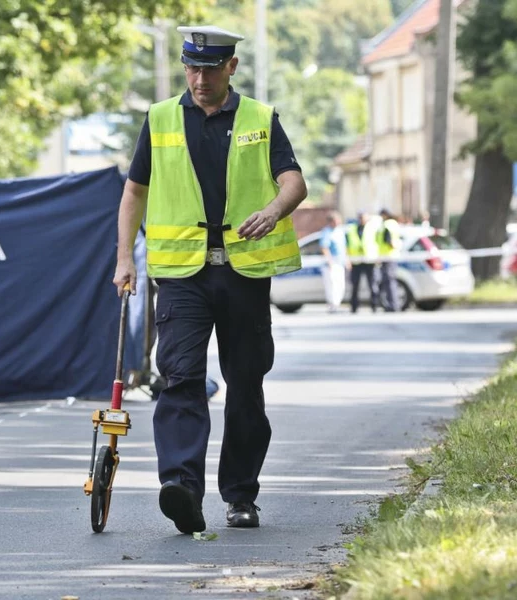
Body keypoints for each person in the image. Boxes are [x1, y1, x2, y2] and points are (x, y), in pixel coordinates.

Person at [112, 25, 307, 534]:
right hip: (181, 275)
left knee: (246, 386)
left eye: (210, 69)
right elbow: (134, 192)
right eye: (192, 68)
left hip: (242, 273)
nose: (199, 78)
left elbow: (294, 181)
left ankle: (241, 495)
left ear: (231, 68)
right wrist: (124, 260)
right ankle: (182, 488)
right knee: (180, 377)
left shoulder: (260, 120)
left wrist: (273, 209)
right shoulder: (159, 120)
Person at [346, 211, 379, 313]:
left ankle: (374, 306)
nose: (361, 220)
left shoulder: (372, 229)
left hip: (369, 260)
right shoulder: (352, 229)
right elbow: (348, 245)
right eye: (360, 218)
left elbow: (377, 243)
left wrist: (377, 258)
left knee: (372, 285)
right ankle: (354, 307)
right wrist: (348, 260)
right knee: (355, 285)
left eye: (363, 218)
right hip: (356, 261)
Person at [319, 211, 347, 313]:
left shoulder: (340, 231)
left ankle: (337, 303)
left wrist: (347, 261)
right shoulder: (327, 232)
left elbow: (344, 248)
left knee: (340, 284)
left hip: (340, 261)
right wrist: (329, 260)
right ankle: (333, 304)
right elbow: (324, 247)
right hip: (332, 262)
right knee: (332, 284)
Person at [376, 208, 403, 312]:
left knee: (389, 282)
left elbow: (389, 241)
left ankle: (393, 305)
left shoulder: (386, 225)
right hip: (391, 256)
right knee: (390, 282)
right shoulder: (394, 224)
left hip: (387, 257)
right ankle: (393, 304)